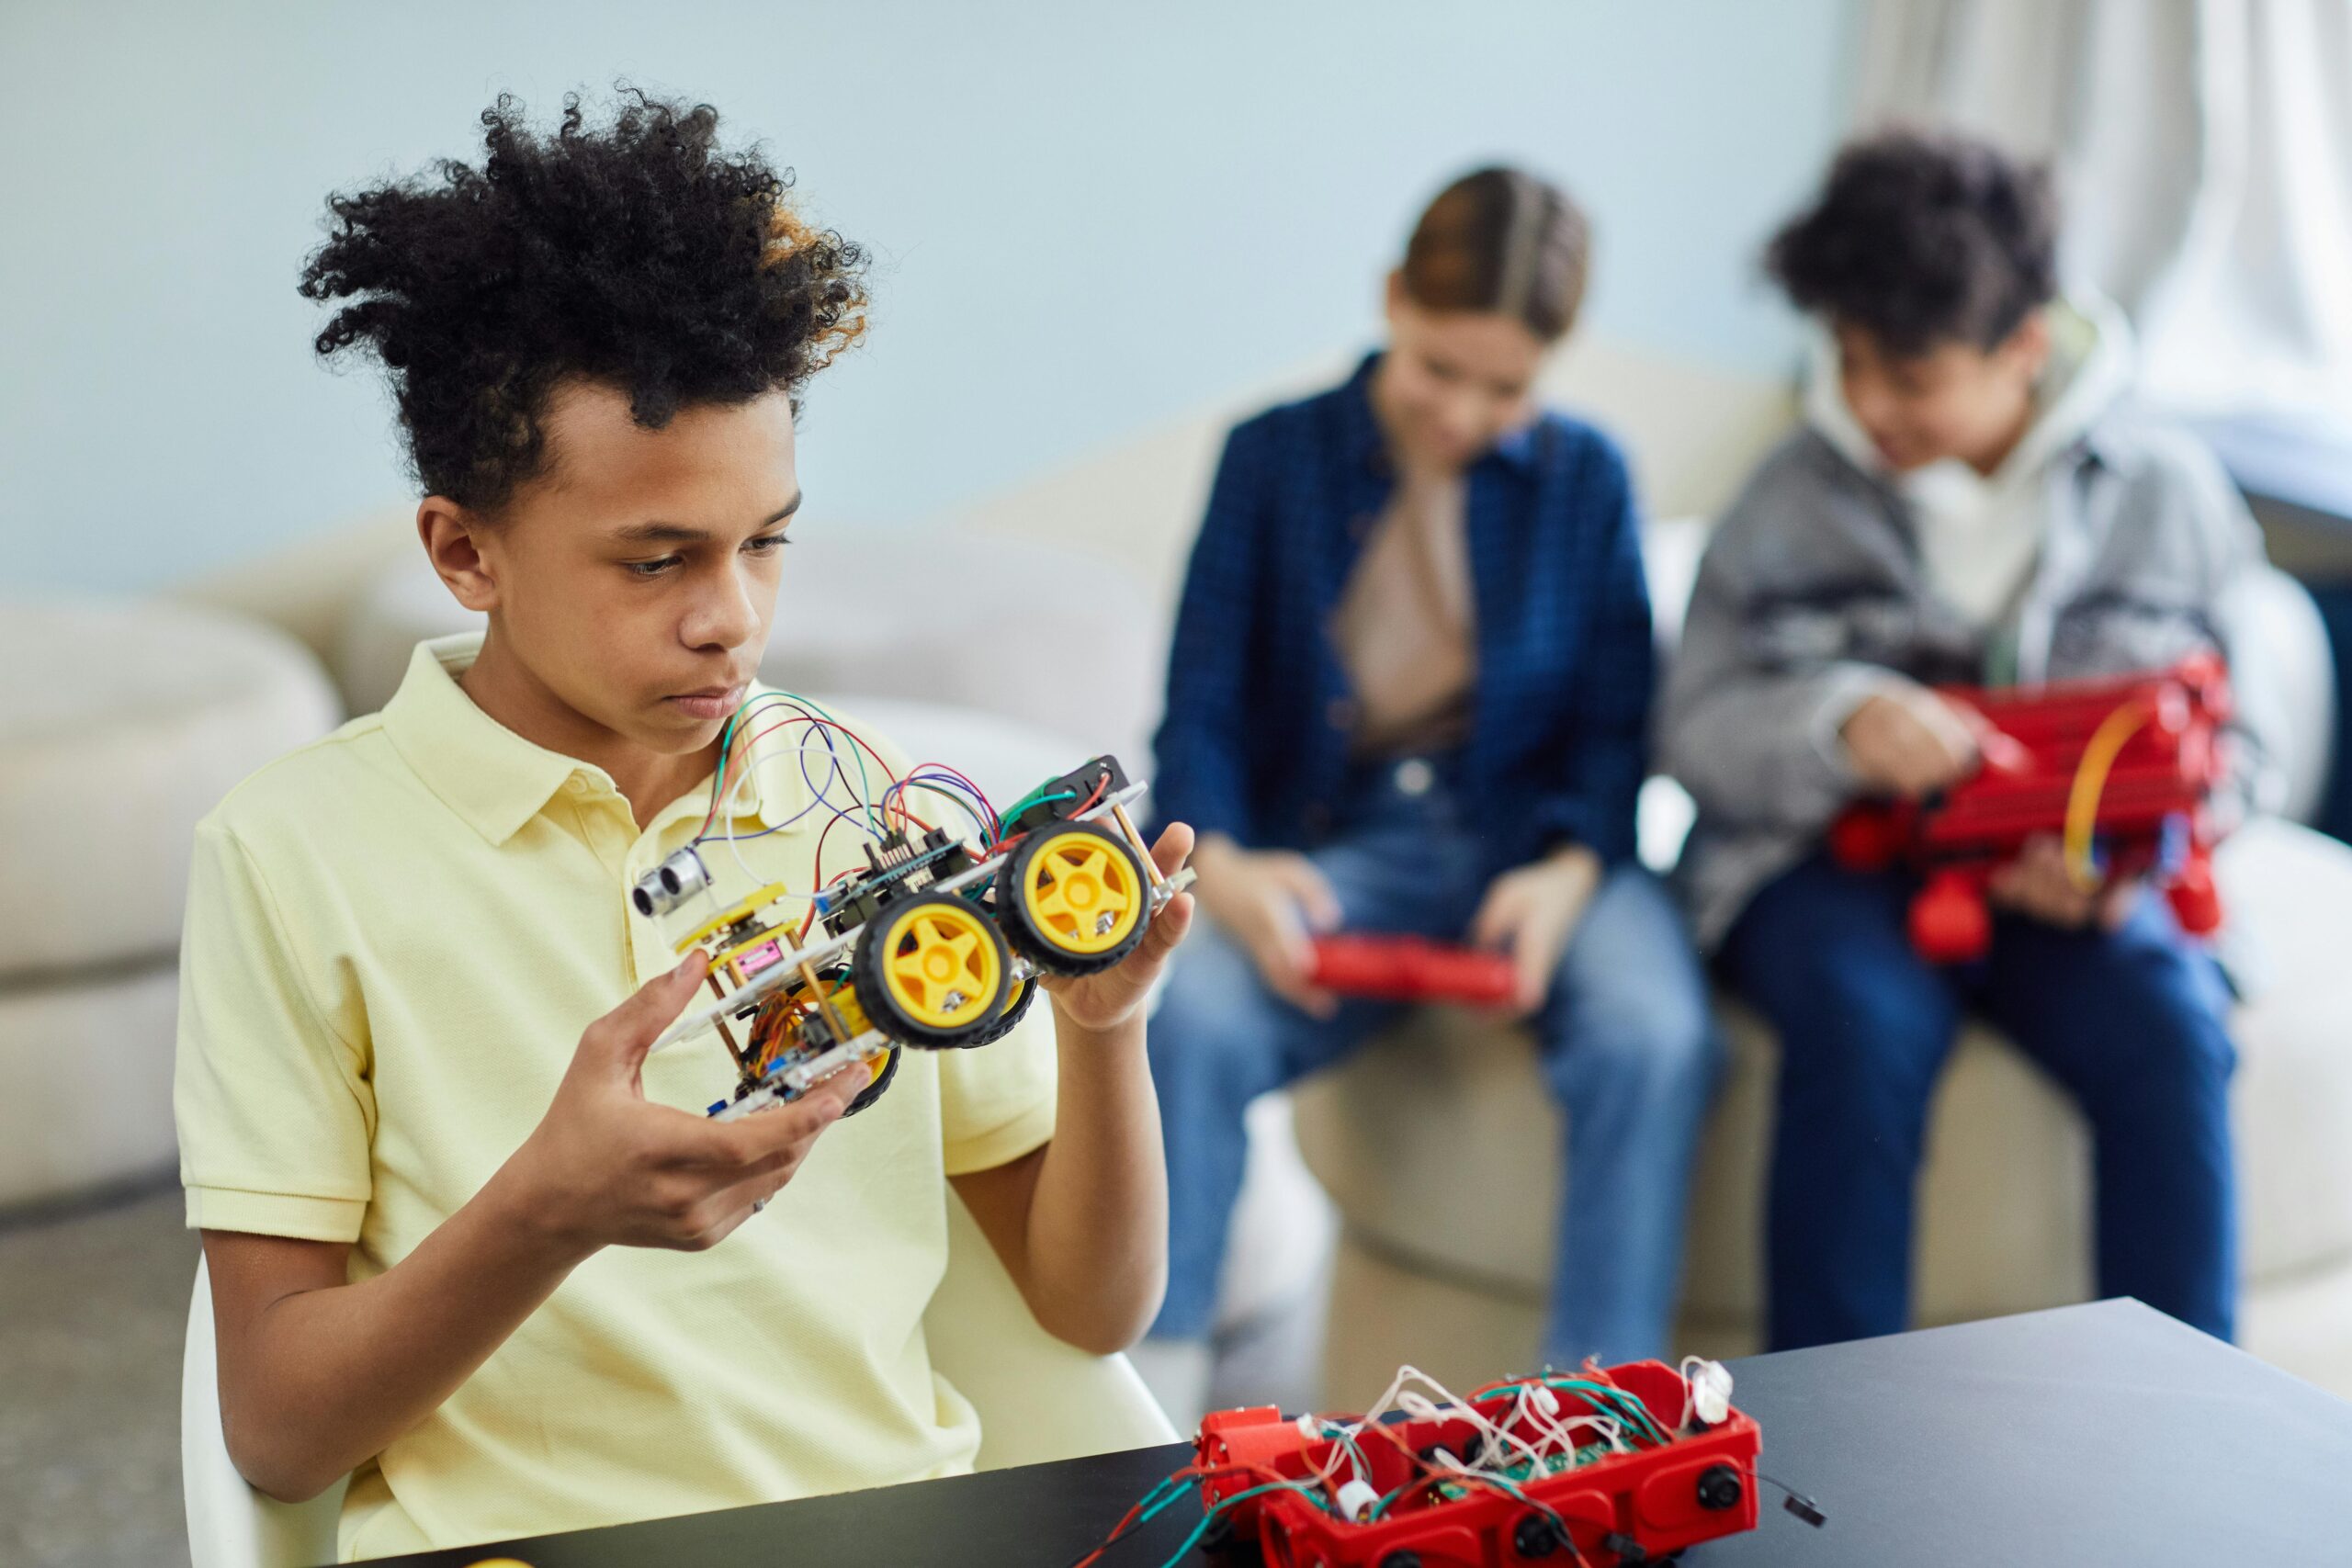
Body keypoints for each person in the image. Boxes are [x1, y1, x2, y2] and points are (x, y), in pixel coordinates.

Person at [172, 89, 1193, 1559]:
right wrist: (546, 1211)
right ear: (466, 551)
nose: (734, 620)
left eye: (766, 541)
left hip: (897, 1523)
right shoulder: (292, 854)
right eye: (657, 562)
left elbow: (1088, 1314)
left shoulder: (867, 810)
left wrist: (1104, 1034)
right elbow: (275, 1435)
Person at [1661, 129, 2281, 1352]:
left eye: (1908, 371)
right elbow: (1693, 725)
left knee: (2172, 1027)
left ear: (2025, 349)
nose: (1868, 400)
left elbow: (2243, 742)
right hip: (1833, 872)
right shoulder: (1788, 492)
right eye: (1845, 356)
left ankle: (2199, 1438)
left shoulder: (2166, 492)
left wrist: (2127, 863)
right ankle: (1830, 1486)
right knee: (1859, 1023)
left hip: (2069, 894)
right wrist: (1840, 724)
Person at [1140, 167, 1721, 1413]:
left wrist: (1567, 879)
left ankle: (1596, 1423)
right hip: (1337, 844)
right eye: (1439, 369)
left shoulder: (1589, 481)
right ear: (1392, 300)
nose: (1463, 410)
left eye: (1505, 387)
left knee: (1655, 1036)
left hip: (1541, 850)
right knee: (1191, 1018)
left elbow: (1620, 733)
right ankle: (1146, 1415)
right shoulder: (1271, 458)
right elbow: (1200, 706)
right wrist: (1226, 869)